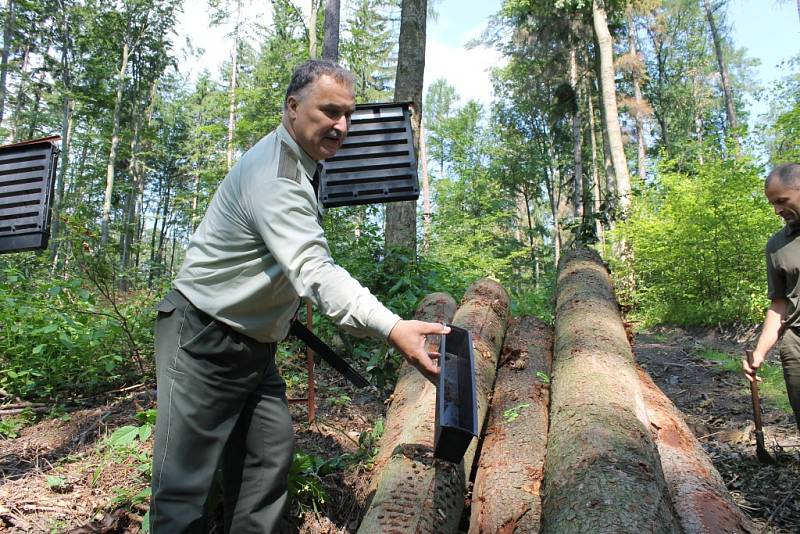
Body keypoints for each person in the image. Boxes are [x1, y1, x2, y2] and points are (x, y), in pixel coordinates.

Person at [149, 59, 449, 533]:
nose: (342, 126)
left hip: (254, 344)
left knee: (267, 457)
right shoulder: (277, 177)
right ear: (292, 107)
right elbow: (314, 269)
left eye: (347, 114)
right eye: (330, 111)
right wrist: (393, 327)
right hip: (202, 336)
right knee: (184, 490)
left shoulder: (304, 166)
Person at [743, 163, 800, 432]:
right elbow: (778, 304)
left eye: (782, 201)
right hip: (796, 344)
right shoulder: (776, 245)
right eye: (772, 204)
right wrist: (759, 352)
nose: (777, 210)